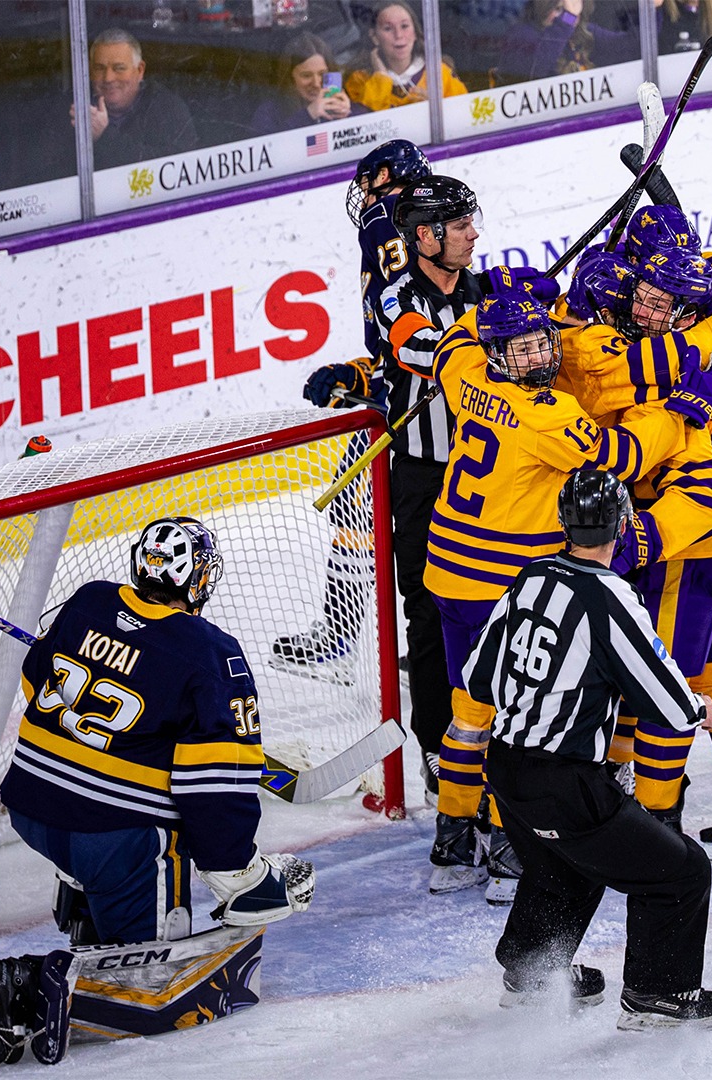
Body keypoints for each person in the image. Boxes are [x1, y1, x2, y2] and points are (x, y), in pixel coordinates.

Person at [0, 518, 313, 1068]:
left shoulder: (88, 602)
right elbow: (215, 788)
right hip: (114, 836)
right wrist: (241, 878)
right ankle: (30, 986)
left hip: (31, 809)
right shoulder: (212, 653)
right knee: (155, 959)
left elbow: (35, 679)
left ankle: (84, 908)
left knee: (98, 836)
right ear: (197, 580)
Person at [425, 270, 712, 900]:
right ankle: (510, 844)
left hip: (447, 569)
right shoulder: (548, 414)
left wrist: (503, 299)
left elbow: (454, 340)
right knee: (510, 717)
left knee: (467, 708)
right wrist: (682, 415)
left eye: (543, 340)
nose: (539, 355)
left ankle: (452, 833)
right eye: (524, 347)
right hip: (498, 581)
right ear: (499, 352)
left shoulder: (464, 371)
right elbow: (621, 457)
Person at [557, 212, 712, 865]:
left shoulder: (646, 369)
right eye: (639, 297)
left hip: (695, 539)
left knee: (670, 683)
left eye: (657, 300)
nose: (643, 308)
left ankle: (658, 816)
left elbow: (606, 384)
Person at [466, 467, 712, 1030]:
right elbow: (663, 692)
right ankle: (660, 994)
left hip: (506, 772)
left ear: (563, 522)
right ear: (624, 523)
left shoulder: (530, 578)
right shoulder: (610, 596)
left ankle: (532, 973)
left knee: (563, 867)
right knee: (680, 873)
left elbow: (477, 676)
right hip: (565, 783)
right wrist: (694, 708)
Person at [287, 143, 438, 777]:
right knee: (354, 500)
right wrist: (363, 369)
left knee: (426, 563)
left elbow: (418, 329)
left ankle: (427, 662)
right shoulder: (401, 227)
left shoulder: (395, 229)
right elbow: (396, 329)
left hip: (428, 414)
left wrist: (378, 381)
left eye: (370, 181)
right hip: (400, 386)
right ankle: (342, 629)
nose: (364, 194)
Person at [79, 29, 198, 170]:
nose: (108, 78)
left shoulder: (169, 109)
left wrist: (104, 135)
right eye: (99, 68)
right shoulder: (76, 108)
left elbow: (172, 172)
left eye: (119, 68)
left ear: (140, 70)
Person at [345, 2, 468, 112]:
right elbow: (365, 127)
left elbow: (464, 116)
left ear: (415, 32)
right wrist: (380, 79)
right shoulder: (358, 80)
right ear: (374, 37)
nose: (398, 35)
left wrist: (436, 109)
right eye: (388, 28)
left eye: (404, 26)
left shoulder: (439, 73)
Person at [249, 32, 366, 136]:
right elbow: (272, 151)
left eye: (322, 74)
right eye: (306, 75)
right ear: (290, 78)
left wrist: (349, 115)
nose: (316, 83)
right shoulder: (269, 112)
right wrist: (308, 115)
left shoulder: (346, 103)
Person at [502, 0, 640, 82]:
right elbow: (531, 73)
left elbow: (630, 48)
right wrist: (567, 19)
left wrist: (652, 9)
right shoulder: (521, 34)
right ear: (544, 7)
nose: (571, 17)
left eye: (574, 9)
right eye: (559, 9)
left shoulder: (582, 33)